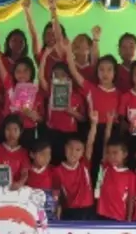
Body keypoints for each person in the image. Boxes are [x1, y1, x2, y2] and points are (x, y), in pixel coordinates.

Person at [65, 44, 119, 185]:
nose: (105, 73)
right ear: (97, 72)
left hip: (112, 131)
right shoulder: (90, 88)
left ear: (115, 72)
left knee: (110, 165)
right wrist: (68, 50)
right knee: (91, 164)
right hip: (93, 130)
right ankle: (89, 191)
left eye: (109, 69)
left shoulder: (119, 93)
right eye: (101, 69)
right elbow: (73, 71)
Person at [40, 45, 85, 165]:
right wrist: (45, 55)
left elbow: (83, 118)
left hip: (69, 135)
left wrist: (72, 112)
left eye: (63, 74)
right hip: (52, 132)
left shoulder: (76, 96)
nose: (59, 78)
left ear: (69, 77)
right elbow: (41, 77)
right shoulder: (51, 90)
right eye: (56, 75)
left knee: (66, 164)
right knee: (53, 163)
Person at [0, 41, 43, 150]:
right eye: (18, 71)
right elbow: (0, 65)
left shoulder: (37, 91)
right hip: (9, 130)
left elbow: (42, 118)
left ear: (32, 72)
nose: (22, 74)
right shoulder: (10, 86)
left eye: (25, 70)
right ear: (14, 73)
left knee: (25, 157)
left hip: (28, 131)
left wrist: (35, 116)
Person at [53, 113, 98, 220]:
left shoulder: (84, 164)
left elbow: (90, 143)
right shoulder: (57, 170)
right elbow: (56, 195)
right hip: (70, 211)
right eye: (70, 148)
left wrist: (94, 124)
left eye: (78, 150)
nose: (73, 152)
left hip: (88, 210)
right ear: (65, 148)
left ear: (82, 152)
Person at [95, 112, 134, 222]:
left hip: (119, 216)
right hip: (102, 214)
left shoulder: (130, 175)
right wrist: (109, 123)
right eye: (109, 153)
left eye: (115, 153)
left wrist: (129, 219)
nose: (111, 156)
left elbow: (131, 198)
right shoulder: (106, 166)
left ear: (125, 154)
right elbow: (106, 142)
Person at [0, 114, 30, 189]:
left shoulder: (23, 152)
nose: (11, 133)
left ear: (20, 131)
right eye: (8, 129)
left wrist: (19, 183)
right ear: (4, 130)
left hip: (12, 190)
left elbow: (25, 173)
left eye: (15, 129)